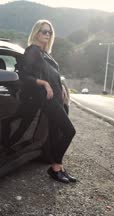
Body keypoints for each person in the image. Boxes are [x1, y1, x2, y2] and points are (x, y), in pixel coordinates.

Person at [19, 19, 77, 183]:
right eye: (43, 31)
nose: (47, 34)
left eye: (49, 32)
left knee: (55, 134)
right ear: (36, 33)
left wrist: (63, 89)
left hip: (58, 99)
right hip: (48, 99)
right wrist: (44, 84)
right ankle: (55, 167)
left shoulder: (46, 54)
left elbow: (54, 75)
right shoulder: (32, 51)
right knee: (69, 131)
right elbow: (25, 76)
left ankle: (59, 167)